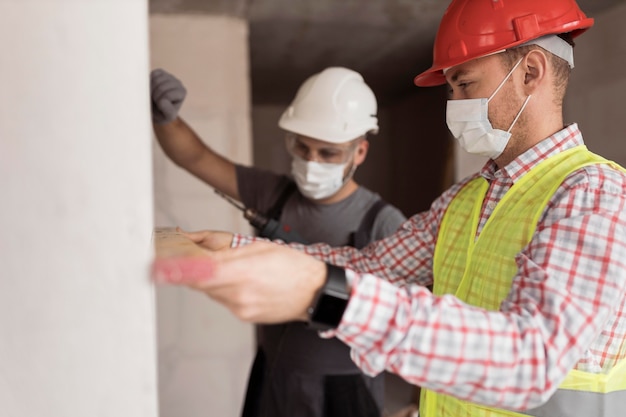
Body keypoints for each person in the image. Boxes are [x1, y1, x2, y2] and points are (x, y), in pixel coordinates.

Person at [153, 0, 626, 416]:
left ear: (531, 72)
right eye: (451, 90)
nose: (453, 103)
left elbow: (532, 360)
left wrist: (326, 295)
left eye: (464, 84)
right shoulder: (467, 199)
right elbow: (372, 267)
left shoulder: (592, 193)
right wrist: (234, 250)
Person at [150, 66, 407, 417]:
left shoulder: (383, 223)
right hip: (274, 372)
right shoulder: (275, 194)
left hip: (346, 383)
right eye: (302, 147)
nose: (311, 161)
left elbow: (410, 317)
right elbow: (195, 157)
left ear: (359, 152)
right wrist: (167, 119)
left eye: (328, 153)